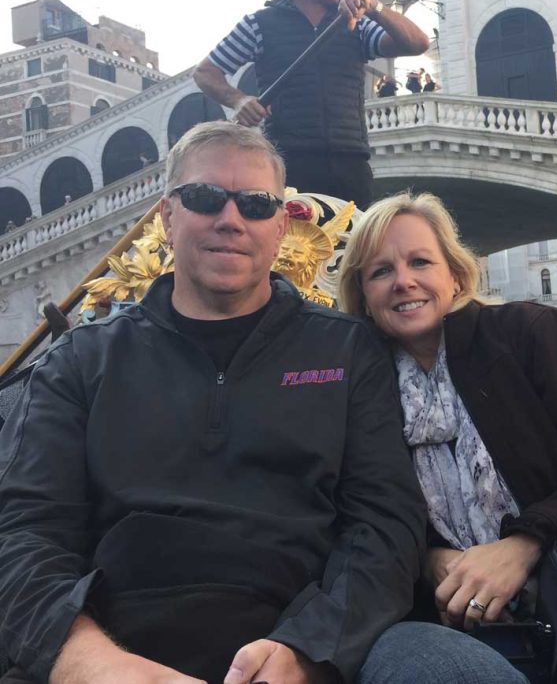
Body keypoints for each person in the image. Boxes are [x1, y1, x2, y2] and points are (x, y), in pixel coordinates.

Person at [0, 123, 518, 684]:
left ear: (279, 227)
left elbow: (385, 527)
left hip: (312, 645)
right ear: (166, 218)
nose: (230, 219)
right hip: (111, 647)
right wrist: (92, 665)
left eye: (254, 204)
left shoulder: (347, 350)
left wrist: (307, 649)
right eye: (204, 198)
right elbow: (25, 533)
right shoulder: (79, 361)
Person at [337, 192, 557, 640]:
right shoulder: (363, 388)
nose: (403, 282)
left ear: (456, 274)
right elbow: (364, 511)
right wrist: (428, 560)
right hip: (447, 620)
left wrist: (524, 544)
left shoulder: (537, 336)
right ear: (364, 296)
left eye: (421, 262)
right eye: (381, 271)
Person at [193, 0, 429, 209]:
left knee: (351, 248)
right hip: (289, 164)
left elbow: (417, 43)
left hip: (350, 160)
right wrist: (239, 101)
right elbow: (205, 72)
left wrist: (374, 7)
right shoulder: (259, 25)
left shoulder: (355, 23)